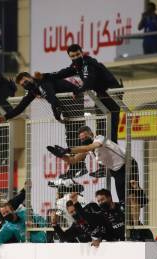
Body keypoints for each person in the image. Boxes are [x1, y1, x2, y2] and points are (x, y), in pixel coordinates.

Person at [41, 43, 123, 178]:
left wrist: (79, 90)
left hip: (112, 95)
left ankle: (111, 165)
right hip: (102, 96)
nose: (75, 58)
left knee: (109, 132)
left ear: (82, 53)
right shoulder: (76, 65)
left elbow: (89, 80)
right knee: (101, 133)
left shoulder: (88, 63)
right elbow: (61, 73)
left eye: (78, 55)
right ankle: (105, 166)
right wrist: (43, 77)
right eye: (72, 56)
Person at [0, 71, 87, 179]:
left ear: (30, 77)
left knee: (75, 133)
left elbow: (52, 98)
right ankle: (75, 166)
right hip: (65, 103)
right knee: (71, 136)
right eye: (23, 85)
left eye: (26, 81)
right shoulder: (33, 89)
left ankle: (80, 166)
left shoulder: (42, 82)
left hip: (73, 98)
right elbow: (21, 107)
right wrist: (5, 117)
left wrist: (57, 114)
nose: (25, 85)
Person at [47, 126, 145, 203]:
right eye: (82, 139)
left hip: (128, 164)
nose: (84, 140)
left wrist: (68, 150)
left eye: (86, 137)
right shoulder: (88, 149)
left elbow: (90, 147)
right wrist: (60, 155)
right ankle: (130, 222)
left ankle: (136, 222)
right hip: (116, 171)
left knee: (133, 196)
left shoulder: (99, 139)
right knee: (123, 200)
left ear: (92, 134)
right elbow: (72, 160)